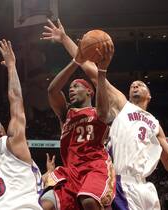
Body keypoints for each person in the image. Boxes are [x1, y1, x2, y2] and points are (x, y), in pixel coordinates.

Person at [41, 19, 168, 210]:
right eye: (133, 85)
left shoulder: (155, 123)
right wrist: (65, 38)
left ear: (149, 95)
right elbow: (88, 67)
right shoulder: (122, 104)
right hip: (122, 183)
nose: (135, 85)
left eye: (140, 84)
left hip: (147, 188)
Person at [0, 39, 51, 210]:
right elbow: (16, 99)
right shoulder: (13, 141)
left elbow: (14, 186)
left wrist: (46, 175)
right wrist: (12, 66)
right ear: (1, 129)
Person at [40, 41, 116, 210]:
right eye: (70, 87)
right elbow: (52, 90)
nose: (71, 89)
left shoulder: (98, 111)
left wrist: (102, 71)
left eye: (76, 86)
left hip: (95, 166)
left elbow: (104, 113)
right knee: (45, 203)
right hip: (71, 170)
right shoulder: (65, 113)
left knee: (88, 201)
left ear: (90, 91)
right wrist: (76, 60)